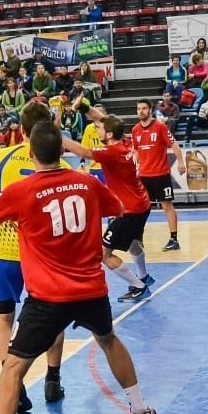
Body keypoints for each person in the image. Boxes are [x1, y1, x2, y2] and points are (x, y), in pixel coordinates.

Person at [0, 118, 158, 414]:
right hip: (90, 288)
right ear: (61, 150)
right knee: (109, 341)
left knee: (12, 368)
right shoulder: (87, 182)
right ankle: (140, 410)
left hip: (48, 297)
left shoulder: (21, 191)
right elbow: (116, 208)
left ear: (30, 148)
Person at [0, 100, 66, 410]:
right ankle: (53, 379)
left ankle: (13, 379)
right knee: (54, 318)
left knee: (2, 317)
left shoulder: (0, 158)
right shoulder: (60, 163)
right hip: (45, 252)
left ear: (21, 129)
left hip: (4, 249)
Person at [62, 109, 155, 303]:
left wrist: (57, 135)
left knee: (103, 253)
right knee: (133, 242)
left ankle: (139, 287)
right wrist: (85, 107)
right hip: (141, 204)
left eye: (100, 129)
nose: (97, 131)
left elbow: (82, 151)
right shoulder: (125, 142)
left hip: (129, 210)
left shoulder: (112, 152)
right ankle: (144, 275)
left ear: (110, 134)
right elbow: (104, 119)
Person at [131, 99, 186, 251]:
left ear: (150, 110)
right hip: (143, 175)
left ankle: (174, 239)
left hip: (161, 174)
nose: (141, 111)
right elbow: (135, 149)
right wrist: (135, 162)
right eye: (138, 109)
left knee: (167, 205)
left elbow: (173, 143)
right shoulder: (135, 130)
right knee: (141, 208)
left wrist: (181, 162)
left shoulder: (160, 127)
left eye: (144, 108)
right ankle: (138, 238)